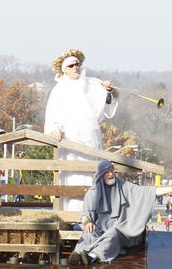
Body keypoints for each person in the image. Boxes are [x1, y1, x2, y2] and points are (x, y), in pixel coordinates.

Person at [68, 161, 172, 265]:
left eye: (112, 171)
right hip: (99, 230)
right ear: (100, 175)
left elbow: (147, 192)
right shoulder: (93, 193)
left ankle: (91, 257)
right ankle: (77, 255)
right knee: (89, 233)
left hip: (120, 230)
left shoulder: (123, 186)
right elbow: (85, 216)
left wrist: (170, 189)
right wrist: (88, 222)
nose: (110, 174)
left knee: (112, 235)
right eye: (106, 172)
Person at [44, 49, 118, 211]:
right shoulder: (59, 89)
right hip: (70, 139)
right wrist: (55, 129)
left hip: (90, 136)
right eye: (71, 65)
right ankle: (72, 211)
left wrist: (108, 90)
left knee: (91, 174)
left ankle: (92, 210)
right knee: (73, 175)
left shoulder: (90, 84)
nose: (75, 67)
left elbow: (107, 104)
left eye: (77, 64)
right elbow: (53, 113)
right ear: (64, 69)